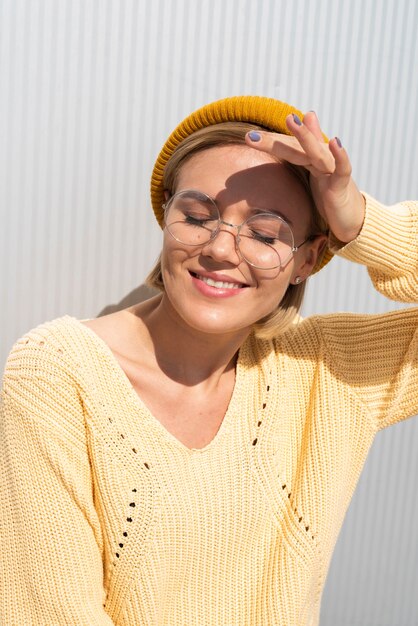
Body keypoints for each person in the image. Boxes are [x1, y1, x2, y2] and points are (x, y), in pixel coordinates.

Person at [1, 95, 417, 626]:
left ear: (307, 259)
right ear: (167, 215)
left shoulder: (329, 373)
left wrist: (359, 220)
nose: (221, 249)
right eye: (198, 217)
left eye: (266, 235)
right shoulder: (57, 374)